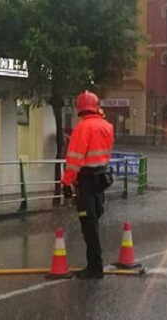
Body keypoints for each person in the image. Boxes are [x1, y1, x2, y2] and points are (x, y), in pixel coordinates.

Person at [61, 90, 114, 279]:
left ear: (80, 108)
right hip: (101, 179)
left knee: (88, 224)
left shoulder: (82, 128)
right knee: (95, 220)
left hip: (86, 181)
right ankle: (95, 264)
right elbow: (106, 154)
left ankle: (94, 267)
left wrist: (66, 182)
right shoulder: (107, 126)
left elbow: (74, 159)